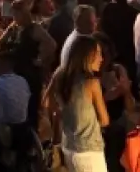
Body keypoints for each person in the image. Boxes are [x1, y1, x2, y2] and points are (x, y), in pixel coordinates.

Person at [46, 35, 110, 172]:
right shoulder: (91, 83)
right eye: (98, 54)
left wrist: (64, 113)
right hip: (89, 151)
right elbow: (104, 120)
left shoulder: (59, 75)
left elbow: (46, 102)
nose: (101, 59)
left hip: (68, 146)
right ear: (87, 56)